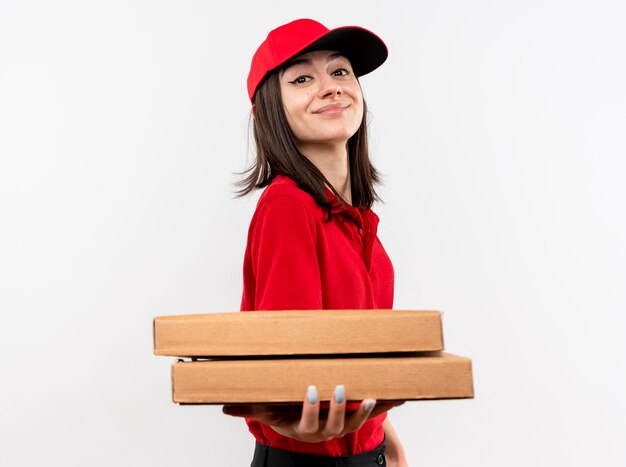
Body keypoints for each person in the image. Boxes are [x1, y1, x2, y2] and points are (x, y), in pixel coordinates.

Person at [224, 18, 408, 467]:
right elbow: (285, 361)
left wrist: (387, 440)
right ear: (267, 109)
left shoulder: (358, 220)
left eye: (340, 72)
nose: (331, 87)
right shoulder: (289, 207)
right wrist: (284, 416)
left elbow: (356, 354)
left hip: (367, 454)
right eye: (303, 78)